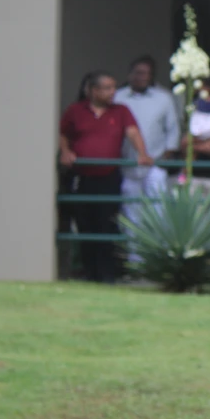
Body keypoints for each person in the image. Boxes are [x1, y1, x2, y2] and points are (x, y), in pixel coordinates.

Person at [60, 72, 154, 282]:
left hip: (109, 176)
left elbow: (132, 132)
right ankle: (88, 271)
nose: (113, 92)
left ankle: (107, 274)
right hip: (82, 177)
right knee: (85, 224)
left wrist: (142, 153)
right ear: (93, 90)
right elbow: (63, 133)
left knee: (107, 223)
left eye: (113, 87)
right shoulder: (76, 111)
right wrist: (66, 151)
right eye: (107, 88)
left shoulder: (121, 111)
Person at [114, 56, 180, 232]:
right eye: (138, 73)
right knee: (131, 213)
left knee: (159, 211)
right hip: (128, 165)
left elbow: (173, 129)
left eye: (146, 74)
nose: (142, 77)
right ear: (130, 74)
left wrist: (168, 153)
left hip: (155, 164)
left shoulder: (164, 98)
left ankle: (157, 255)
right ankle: (135, 258)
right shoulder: (118, 97)